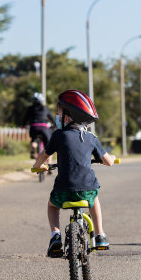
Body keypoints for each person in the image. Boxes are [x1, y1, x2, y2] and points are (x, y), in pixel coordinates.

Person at [32, 89, 116, 257]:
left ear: (68, 118)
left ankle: (55, 236)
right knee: (94, 199)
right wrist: (113, 157)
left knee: (52, 206)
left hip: (63, 191)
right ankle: (100, 235)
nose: (57, 117)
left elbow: (44, 155)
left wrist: (38, 166)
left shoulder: (58, 135)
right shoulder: (91, 137)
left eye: (58, 114)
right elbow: (108, 162)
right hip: (87, 189)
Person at [22, 92, 56, 158]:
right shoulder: (45, 108)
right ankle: (48, 161)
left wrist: (23, 125)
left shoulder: (30, 108)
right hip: (44, 127)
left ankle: (32, 151)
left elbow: (25, 118)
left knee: (34, 139)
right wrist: (55, 124)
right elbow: (51, 118)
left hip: (34, 127)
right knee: (48, 145)